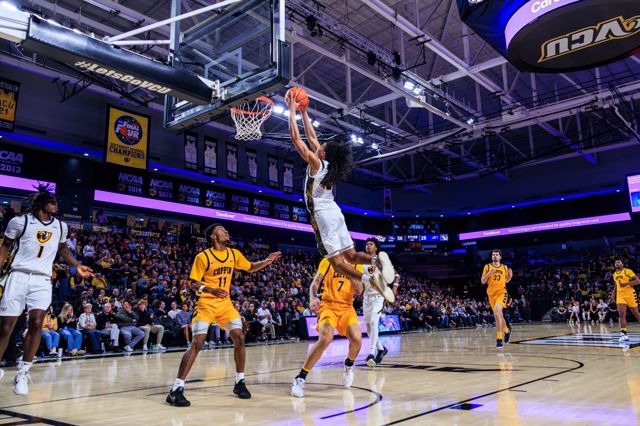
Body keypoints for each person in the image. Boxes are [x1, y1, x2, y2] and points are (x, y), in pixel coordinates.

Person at [285, 91, 394, 302]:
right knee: (352, 256)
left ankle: (369, 279)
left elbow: (296, 139)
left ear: (323, 153)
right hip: (335, 212)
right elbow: (312, 137)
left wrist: (292, 109)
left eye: (322, 147)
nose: (319, 145)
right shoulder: (328, 165)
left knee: (338, 264)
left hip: (323, 215)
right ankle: (378, 262)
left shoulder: (316, 163)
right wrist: (304, 112)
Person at [166, 223, 281, 406]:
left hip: (225, 305)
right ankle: (176, 390)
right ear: (213, 236)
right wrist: (210, 289)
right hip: (206, 304)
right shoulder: (203, 256)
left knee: (239, 337)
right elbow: (193, 283)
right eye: (221, 230)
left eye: (226, 230)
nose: (226, 231)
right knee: (197, 342)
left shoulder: (233, 254)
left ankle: (239, 382)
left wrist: (267, 260)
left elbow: (250, 267)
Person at [0, 186, 92, 395]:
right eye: (52, 202)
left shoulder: (61, 226)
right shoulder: (20, 222)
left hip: (42, 279)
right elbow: (5, 246)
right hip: (18, 275)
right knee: (5, 326)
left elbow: (63, 249)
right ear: (41, 203)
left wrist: (77, 265)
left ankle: (23, 372)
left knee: (36, 323)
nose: (56, 205)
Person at [291, 257, 363, 398]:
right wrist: (313, 298)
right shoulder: (328, 261)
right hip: (328, 306)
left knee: (357, 339)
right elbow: (315, 282)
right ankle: (300, 378)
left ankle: (348, 366)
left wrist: (348, 269)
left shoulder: (356, 265)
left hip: (347, 308)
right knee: (325, 339)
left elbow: (359, 290)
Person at [362, 238, 399, 367]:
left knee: (374, 322)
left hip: (379, 296)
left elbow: (396, 275)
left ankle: (371, 353)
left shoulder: (381, 259)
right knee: (368, 329)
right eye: (367, 244)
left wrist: (394, 288)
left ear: (376, 247)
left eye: (370, 244)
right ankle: (382, 349)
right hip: (366, 297)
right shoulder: (362, 260)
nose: (368, 246)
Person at [480, 249, 513, 349]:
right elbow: (483, 281)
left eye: (496, 255)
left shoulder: (504, 267)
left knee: (497, 312)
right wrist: (489, 273)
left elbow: (505, 281)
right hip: (491, 294)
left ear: (500, 257)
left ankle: (499, 338)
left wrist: (510, 276)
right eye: (493, 255)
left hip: (502, 293)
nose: (495, 256)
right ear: (491, 257)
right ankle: (506, 331)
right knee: (498, 314)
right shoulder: (487, 267)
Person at [612, 258, 640, 342]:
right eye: (616, 263)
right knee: (621, 314)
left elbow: (638, 281)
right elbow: (616, 285)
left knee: (636, 313)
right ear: (614, 265)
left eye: (619, 262)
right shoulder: (614, 274)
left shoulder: (627, 271)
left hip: (630, 294)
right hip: (620, 295)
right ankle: (624, 334)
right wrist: (613, 294)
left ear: (622, 264)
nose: (617, 264)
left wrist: (626, 283)